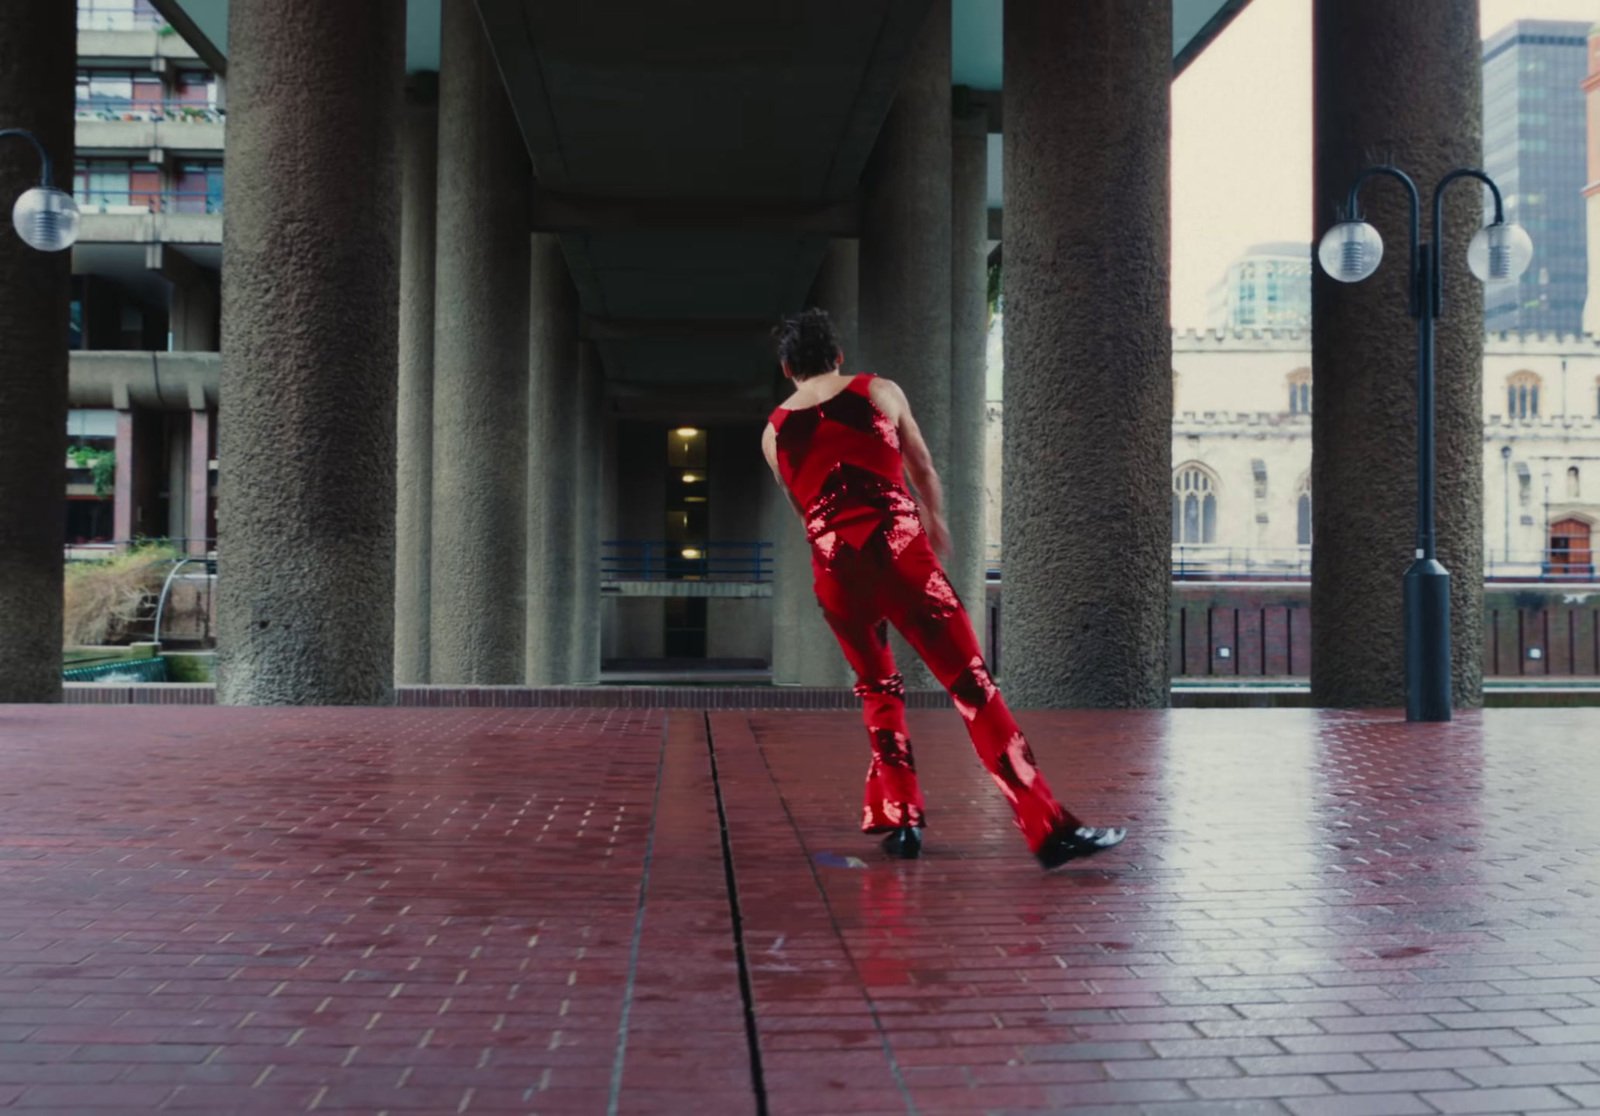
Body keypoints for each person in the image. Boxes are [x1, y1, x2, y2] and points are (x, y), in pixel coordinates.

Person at [761, 309, 1126, 870]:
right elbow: (922, 464)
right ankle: (1046, 825)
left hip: (835, 572)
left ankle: (900, 819)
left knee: (877, 688)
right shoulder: (878, 390)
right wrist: (934, 517)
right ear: (838, 356)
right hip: (902, 554)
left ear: (788, 368)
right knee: (971, 687)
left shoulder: (774, 430)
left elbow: (801, 508)